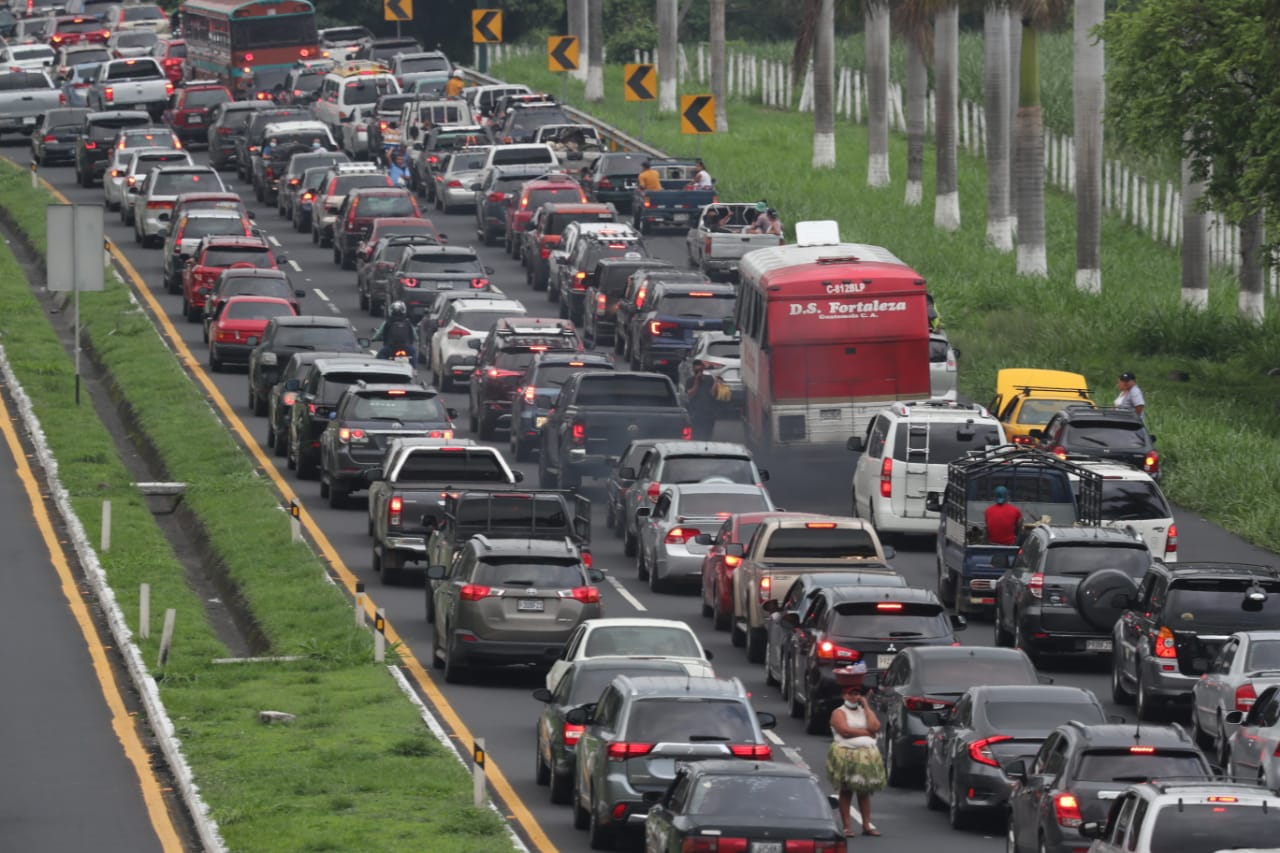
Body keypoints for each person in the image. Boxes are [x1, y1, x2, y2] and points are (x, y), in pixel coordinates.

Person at [826, 663, 885, 838]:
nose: (854, 696)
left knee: (864, 792)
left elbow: (875, 726)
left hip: (865, 755)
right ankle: (847, 826)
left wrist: (866, 706)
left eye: (857, 693)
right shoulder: (838, 712)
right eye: (851, 693)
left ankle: (866, 825)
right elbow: (844, 731)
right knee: (846, 791)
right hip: (847, 754)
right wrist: (867, 732)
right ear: (844, 695)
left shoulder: (863, 711)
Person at [685, 359, 717, 440]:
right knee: (696, 436)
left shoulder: (709, 379)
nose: (699, 372)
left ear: (703, 369)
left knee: (707, 437)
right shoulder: (690, 380)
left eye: (700, 370)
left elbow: (713, 394)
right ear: (693, 369)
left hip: (708, 414)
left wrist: (716, 382)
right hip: (695, 414)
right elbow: (690, 394)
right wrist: (697, 381)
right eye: (697, 370)